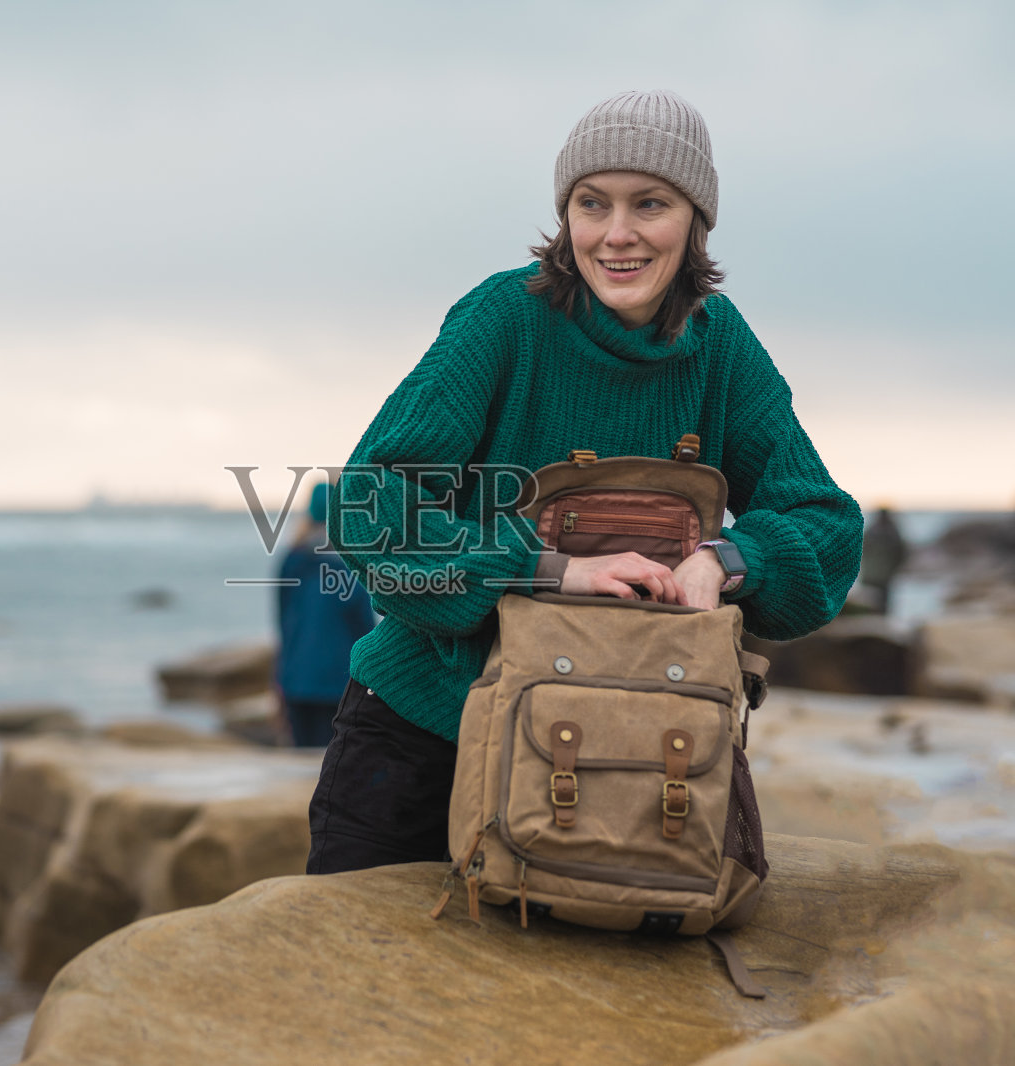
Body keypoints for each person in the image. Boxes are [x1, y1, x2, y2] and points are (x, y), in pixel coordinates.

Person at [307, 90, 863, 874]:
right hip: (421, 738)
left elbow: (827, 523)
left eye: (651, 203)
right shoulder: (505, 318)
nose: (617, 233)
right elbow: (370, 505)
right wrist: (553, 571)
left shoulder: (721, 347)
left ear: (696, 219)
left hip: (622, 749)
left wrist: (725, 561)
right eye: (591, 204)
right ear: (565, 217)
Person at [274, 482, 377, 747]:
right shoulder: (351, 563)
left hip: (296, 680)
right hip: (338, 684)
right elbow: (365, 630)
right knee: (332, 767)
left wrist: (279, 683)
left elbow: (283, 627)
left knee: (302, 768)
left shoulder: (292, 560)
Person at [859, 506, 908, 614]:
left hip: (870, 574)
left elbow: (860, 551)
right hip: (884, 576)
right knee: (882, 604)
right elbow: (902, 553)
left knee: (868, 603)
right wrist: (895, 568)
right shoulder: (893, 532)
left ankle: (873, 624)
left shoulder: (870, 531)